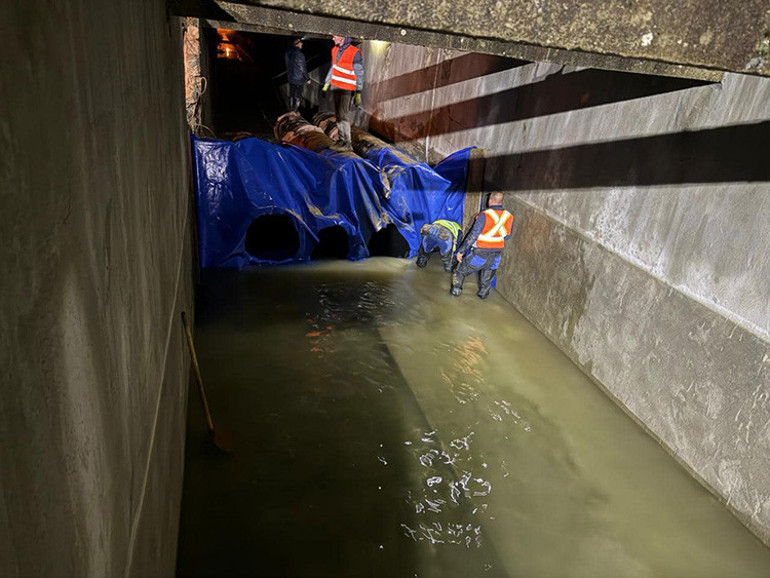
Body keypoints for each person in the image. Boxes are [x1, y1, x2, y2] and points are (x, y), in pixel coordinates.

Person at [451, 192, 514, 299]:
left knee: (459, 272)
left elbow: (472, 235)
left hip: (479, 255)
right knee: (486, 283)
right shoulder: (509, 216)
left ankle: (454, 296)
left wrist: (461, 251)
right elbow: (507, 236)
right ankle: (483, 297)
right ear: (502, 202)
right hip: (496, 257)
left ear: (490, 200)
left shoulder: (484, 215)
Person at [322, 35, 364, 148]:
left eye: (334, 36)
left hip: (347, 88)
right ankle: (341, 139)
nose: (332, 39)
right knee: (338, 115)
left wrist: (358, 92)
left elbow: (359, 72)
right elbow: (333, 68)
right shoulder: (335, 50)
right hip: (336, 87)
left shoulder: (354, 52)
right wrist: (326, 84)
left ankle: (348, 143)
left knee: (344, 115)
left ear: (341, 38)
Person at [285, 37, 310, 112]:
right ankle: (295, 111)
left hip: (291, 77)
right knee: (298, 95)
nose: (301, 43)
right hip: (298, 78)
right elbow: (302, 68)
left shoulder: (287, 53)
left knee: (292, 94)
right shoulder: (300, 54)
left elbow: (287, 65)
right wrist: (307, 78)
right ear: (296, 44)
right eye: (300, 42)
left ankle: (290, 110)